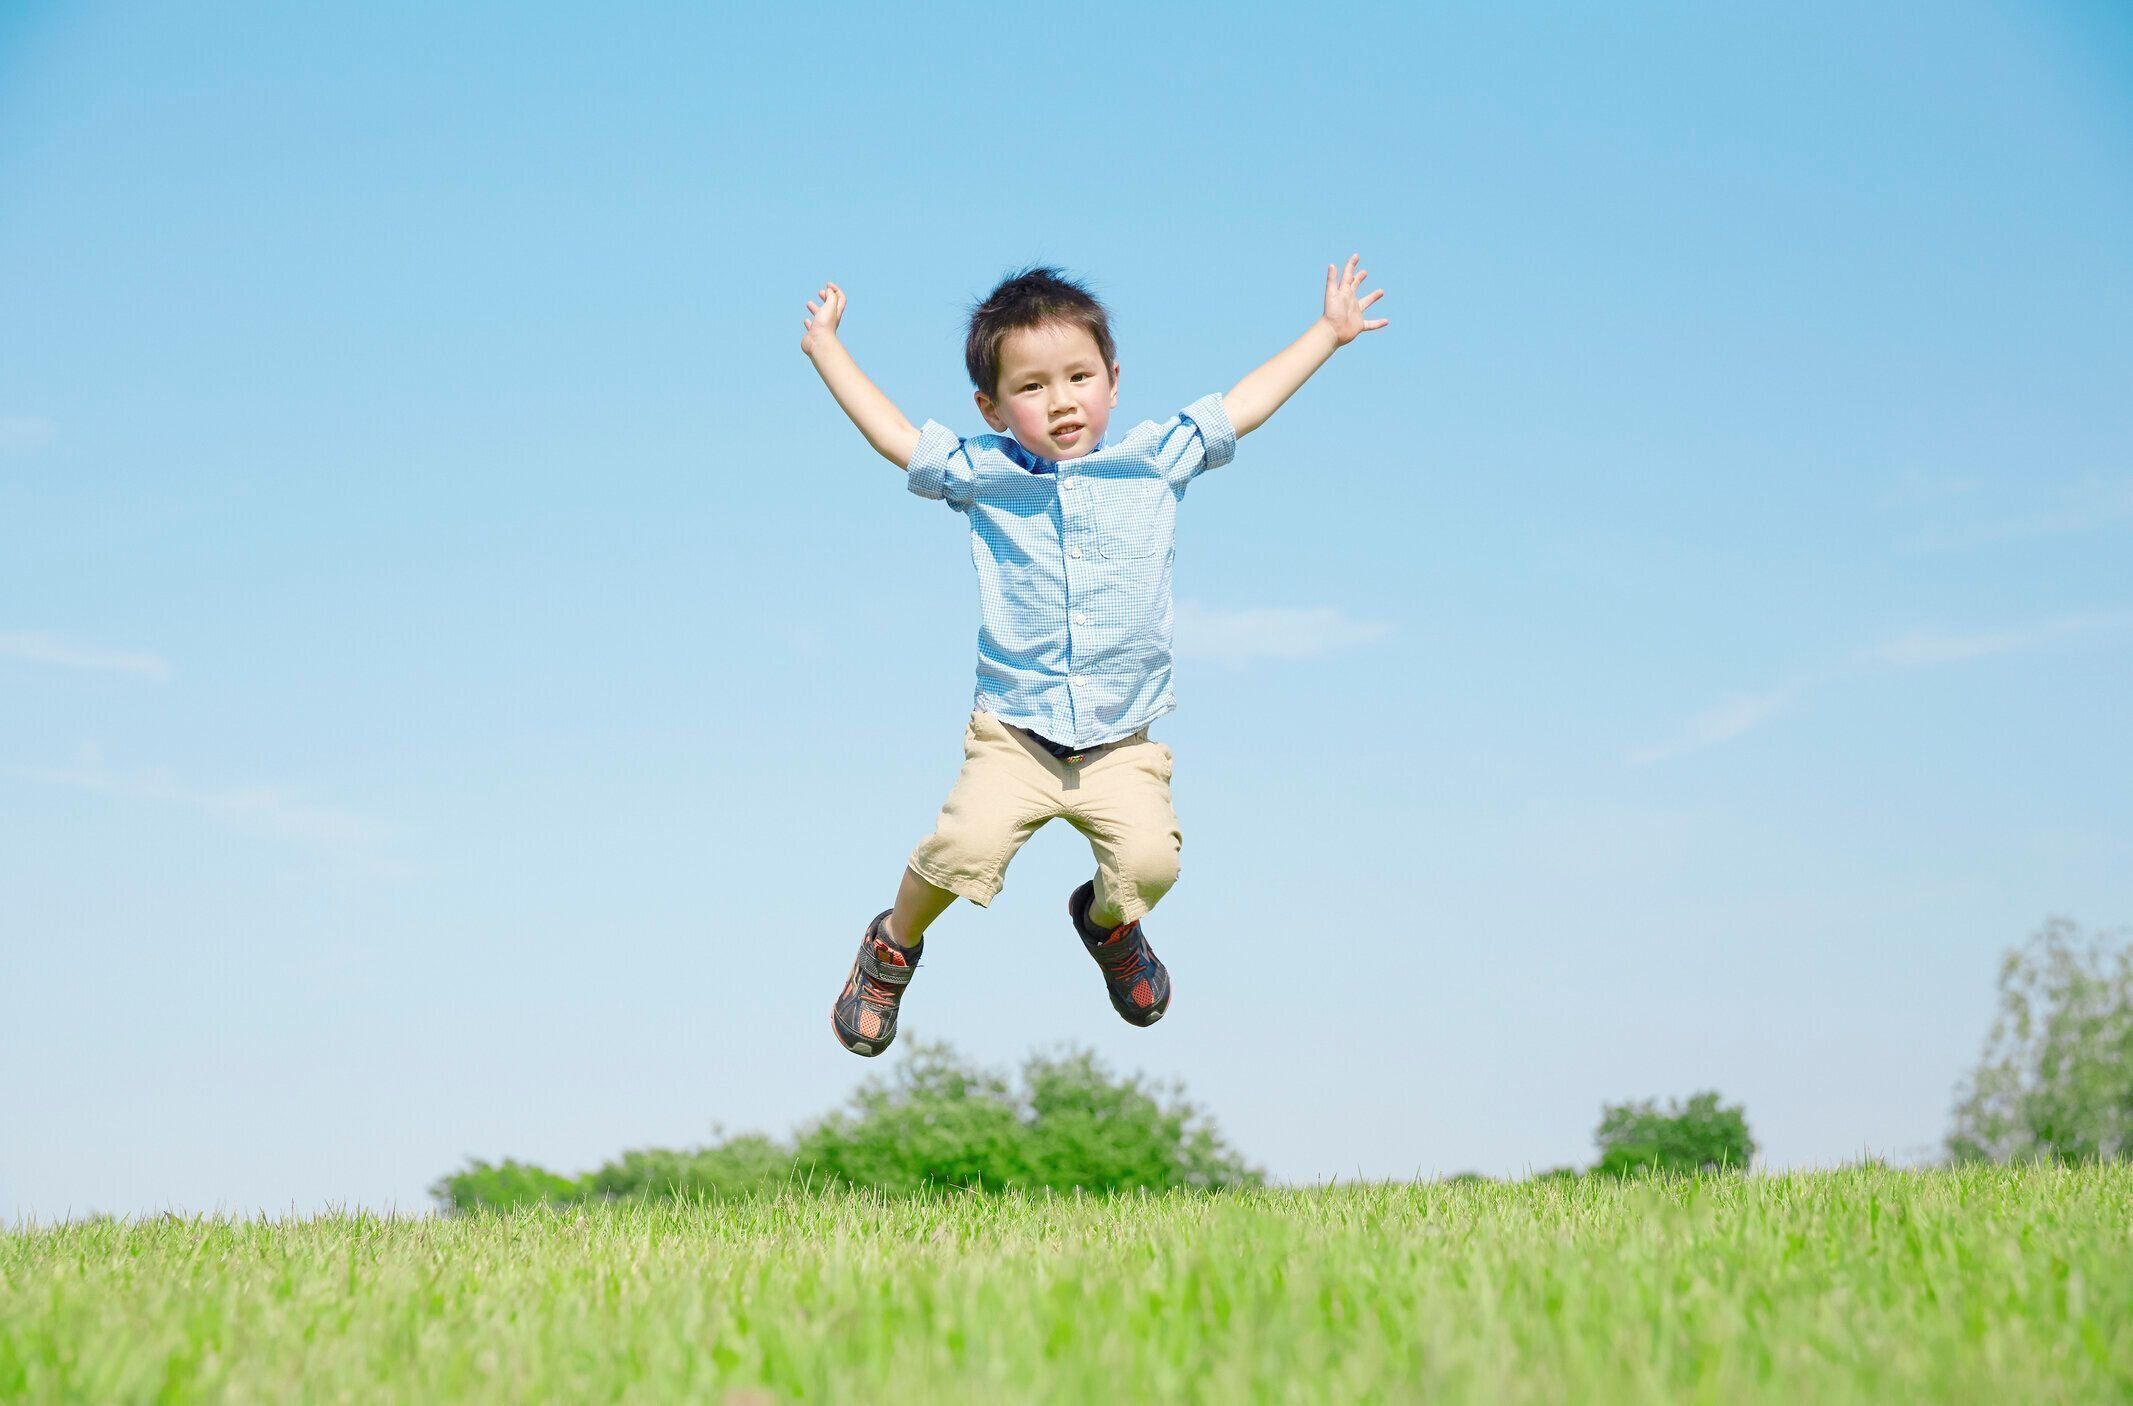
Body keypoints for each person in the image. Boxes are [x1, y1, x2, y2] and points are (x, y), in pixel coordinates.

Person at [801, 257, 1389, 1055]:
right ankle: (892, 946)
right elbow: (895, 435)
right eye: (1032, 387)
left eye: (1078, 376)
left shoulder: (1151, 462)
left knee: (1150, 867)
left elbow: (1241, 408)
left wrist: (1327, 333)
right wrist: (828, 348)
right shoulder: (986, 474)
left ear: (1112, 380)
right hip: (1016, 735)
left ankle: (1108, 927)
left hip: (1120, 741)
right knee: (964, 850)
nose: (1061, 401)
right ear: (993, 406)